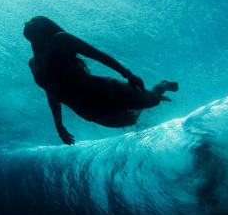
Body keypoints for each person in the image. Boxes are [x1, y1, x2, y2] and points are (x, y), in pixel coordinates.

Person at [23, 16, 178, 145]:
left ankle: (162, 86)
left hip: (111, 92)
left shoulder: (61, 40)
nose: (27, 23)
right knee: (133, 121)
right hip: (94, 113)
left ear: (44, 28)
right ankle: (146, 98)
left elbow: (99, 55)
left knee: (155, 100)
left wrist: (128, 75)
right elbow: (51, 93)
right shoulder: (33, 64)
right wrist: (59, 125)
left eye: (34, 21)